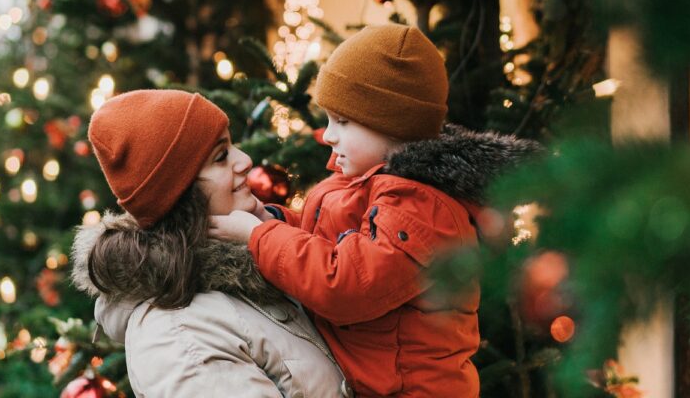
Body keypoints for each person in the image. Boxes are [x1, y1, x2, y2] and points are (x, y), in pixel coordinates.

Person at [209, 24, 540, 397]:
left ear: (393, 125)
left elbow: (348, 283)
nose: (329, 135)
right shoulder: (367, 182)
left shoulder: (421, 206)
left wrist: (259, 237)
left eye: (343, 122)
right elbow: (334, 239)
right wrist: (275, 221)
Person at [70, 89, 348, 397]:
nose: (245, 160)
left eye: (232, 144)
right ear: (179, 194)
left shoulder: (258, 265)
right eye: (221, 156)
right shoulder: (179, 338)